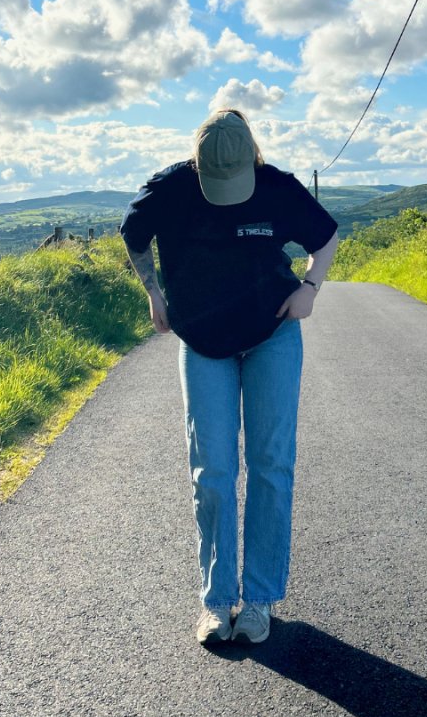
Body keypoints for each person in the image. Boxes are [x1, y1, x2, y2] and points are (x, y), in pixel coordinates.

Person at [119, 108, 339, 645]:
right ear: (196, 164)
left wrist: (310, 289)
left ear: (250, 158)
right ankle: (218, 602)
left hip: (272, 336)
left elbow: (326, 238)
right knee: (212, 470)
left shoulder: (277, 188)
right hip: (203, 343)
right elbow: (133, 234)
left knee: (270, 464)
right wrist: (153, 292)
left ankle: (259, 600)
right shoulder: (169, 189)